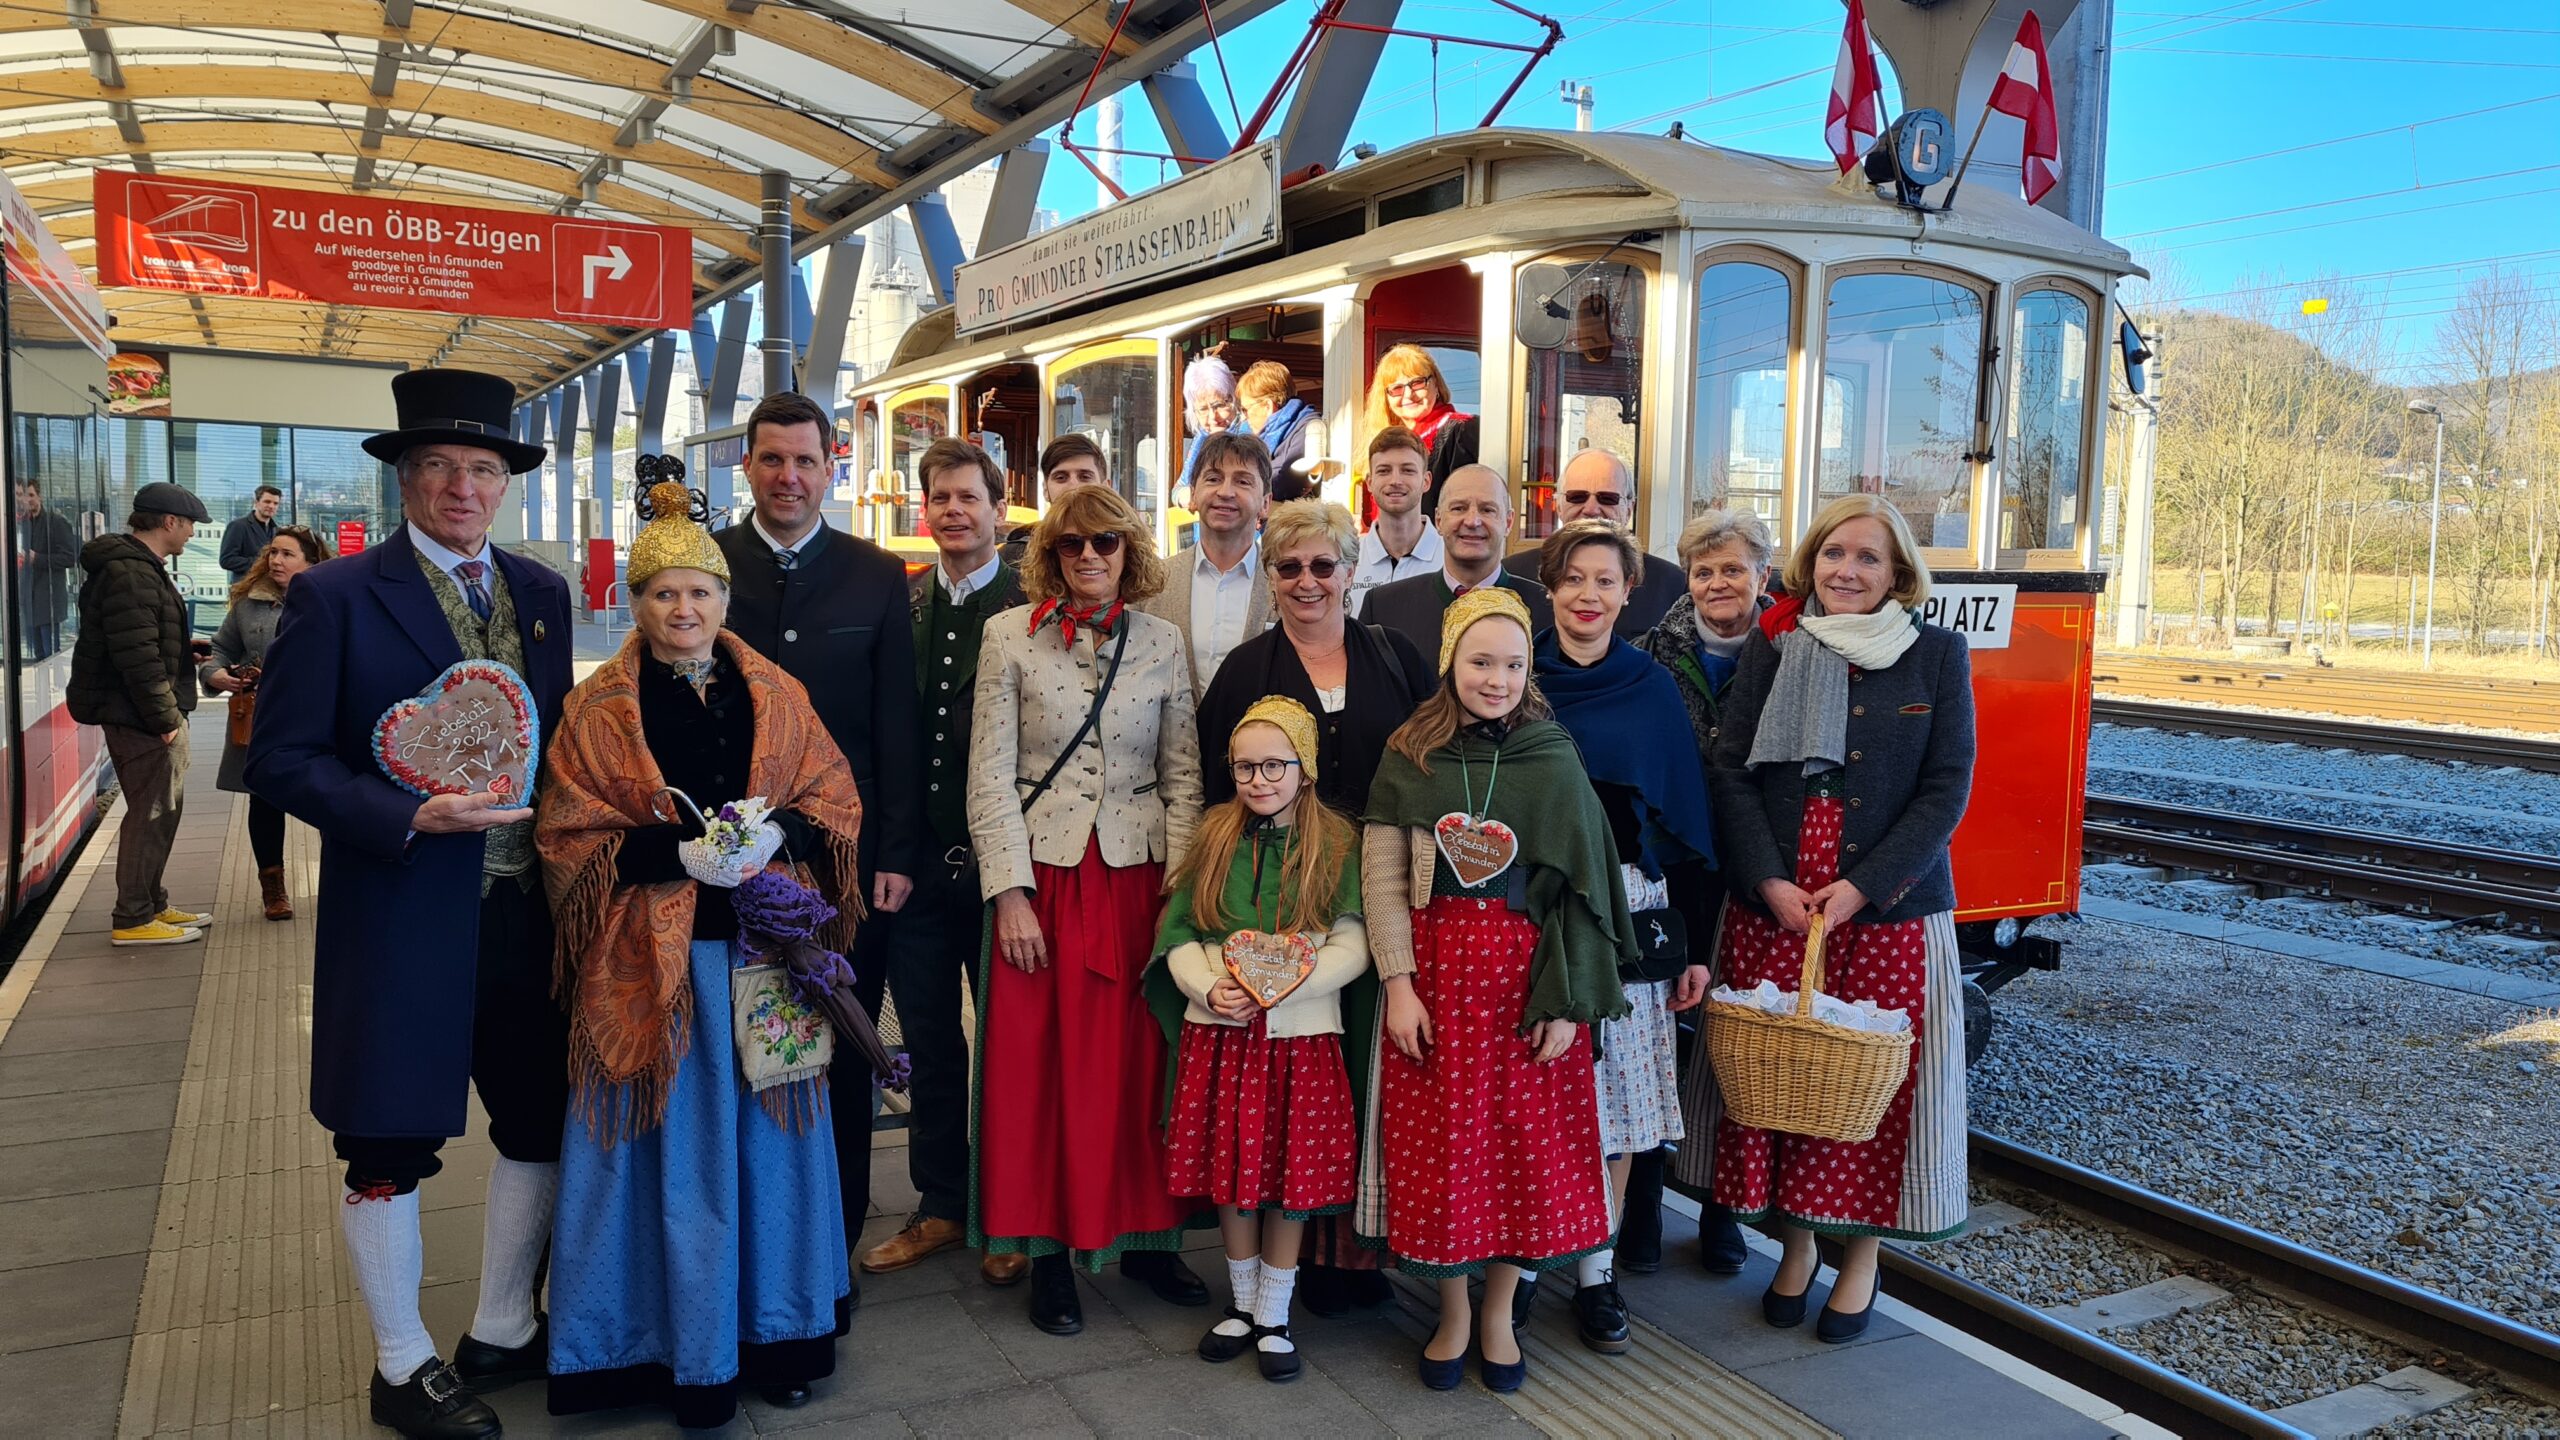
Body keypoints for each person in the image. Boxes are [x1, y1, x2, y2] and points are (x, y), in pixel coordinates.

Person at [246, 369, 574, 1440]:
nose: (462, 487)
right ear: (404, 479)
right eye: (437, 466)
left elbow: (556, 738)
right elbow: (284, 762)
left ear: (506, 482)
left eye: (483, 468)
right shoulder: (332, 597)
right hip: (400, 912)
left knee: (537, 1118)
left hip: (525, 912)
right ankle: (400, 1366)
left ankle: (501, 1329)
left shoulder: (538, 592)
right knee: (386, 1138)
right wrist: (402, 816)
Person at [537, 479, 867, 1428]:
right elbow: (568, 836)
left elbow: (832, 799)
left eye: (700, 593)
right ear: (634, 605)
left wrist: (785, 841)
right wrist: (663, 853)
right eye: (662, 595)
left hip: (763, 959)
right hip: (653, 968)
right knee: (660, 1161)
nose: (684, 610)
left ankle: (779, 1332)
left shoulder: (778, 691)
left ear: (726, 601)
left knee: (775, 1152)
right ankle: (651, 1347)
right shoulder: (598, 707)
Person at [1710, 493, 1976, 1343]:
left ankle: (1858, 1258)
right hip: (1780, 903)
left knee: (1872, 1096)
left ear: (1897, 573)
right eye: (1833, 555)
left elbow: (1947, 787)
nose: (1847, 571)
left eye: (1867, 558)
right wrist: (1766, 880)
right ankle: (1795, 1248)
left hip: (1886, 908)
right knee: (1783, 1082)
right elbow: (1730, 771)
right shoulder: (1775, 642)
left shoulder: (1936, 654)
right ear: (1810, 565)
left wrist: (1866, 886)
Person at [1356, 587, 1636, 1395]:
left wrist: (1564, 1003)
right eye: (1481, 662)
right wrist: (1400, 985)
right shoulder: (1411, 754)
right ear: (1451, 665)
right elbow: (1380, 880)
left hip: (1524, 980)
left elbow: (1583, 892)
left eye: (1514, 664)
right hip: (1437, 975)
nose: (1499, 678)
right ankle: (1449, 1310)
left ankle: (1498, 1311)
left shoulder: (1550, 754)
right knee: (1442, 1146)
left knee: (1521, 1146)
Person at [967, 483, 1208, 1334]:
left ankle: (1148, 1240)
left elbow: (1185, 775)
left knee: (1141, 1064)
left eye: (1107, 541)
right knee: (1043, 1069)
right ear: (1051, 557)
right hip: (1047, 875)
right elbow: (989, 775)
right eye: (1073, 545)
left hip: (1140, 878)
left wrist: (1182, 894)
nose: (1092, 556)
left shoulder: (1163, 640)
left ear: (1130, 551)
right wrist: (1010, 895)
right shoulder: (1009, 637)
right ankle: (1050, 1253)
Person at [1191, 499, 1432, 1317]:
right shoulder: (1244, 669)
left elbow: (1434, 757)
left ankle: (1352, 1247)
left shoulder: (1394, 655)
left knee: (1368, 1055)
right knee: (1296, 1068)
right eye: (1288, 567)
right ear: (1271, 575)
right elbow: (1214, 786)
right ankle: (1294, 1255)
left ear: (1349, 572)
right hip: (1284, 884)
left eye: (1322, 565)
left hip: (1384, 876)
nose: (1306, 581)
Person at [714, 390, 924, 1295]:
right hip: (725, 861)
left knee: (837, 1036)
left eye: (805, 460)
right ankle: (741, 1221)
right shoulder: (709, 566)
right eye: (772, 459)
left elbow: (897, 729)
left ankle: (830, 1236)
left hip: (843, 861)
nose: (789, 477)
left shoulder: (877, 574)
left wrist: (895, 854)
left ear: (832, 465)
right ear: (748, 466)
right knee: (735, 1042)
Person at [1526, 520, 1720, 1354]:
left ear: (1629, 591)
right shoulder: (1513, 669)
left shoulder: (1650, 688)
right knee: (1535, 1095)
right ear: (1550, 586)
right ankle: (1526, 1263)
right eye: (1572, 579)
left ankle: (1596, 1274)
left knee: (1623, 1106)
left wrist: (1698, 950)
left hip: (1630, 912)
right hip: (1528, 906)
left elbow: (1686, 828)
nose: (1587, 596)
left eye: (1604, 581)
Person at [1148, 697, 1367, 1383]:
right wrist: (1207, 989)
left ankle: (1275, 1311)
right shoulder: (1214, 833)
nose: (1258, 779)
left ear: (1303, 769)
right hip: (1223, 1030)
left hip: (1300, 1035)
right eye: (1245, 766)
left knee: (1286, 1175)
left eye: (1275, 764)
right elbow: (1179, 932)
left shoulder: (1336, 843)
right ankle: (1240, 1305)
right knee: (1233, 1173)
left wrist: (1287, 987)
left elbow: (1354, 941)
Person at [861, 439, 1031, 1288]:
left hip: (1008, 869)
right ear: (924, 509)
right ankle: (939, 1202)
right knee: (929, 1039)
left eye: (971, 497)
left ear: (1000, 510)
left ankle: (1004, 1209)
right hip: (918, 866)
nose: (956, 511)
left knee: (1006, 1044)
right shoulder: (907, 601)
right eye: (942, 498)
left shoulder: (1032, 601)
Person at [1640, 508, 1778, 1278]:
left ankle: (1724, 1210)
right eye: (1703, 570)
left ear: (1763, 575)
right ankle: (1645, 1209)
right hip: (1680, 873)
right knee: (1660, 1038)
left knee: (1737, 1048)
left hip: (1761, 873)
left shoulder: (1796, 647)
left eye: (1733, 569)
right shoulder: (1653, 653)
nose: (1718, 583)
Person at [69, 480, 213, 947]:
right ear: (169, 522)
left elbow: (140, 638)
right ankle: (132, 919)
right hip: (141, 716)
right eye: (189, 524)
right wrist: (166, 720)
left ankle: (152, 903)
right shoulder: (130, 573)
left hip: (142, 711)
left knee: (163, 811)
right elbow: (137, 658)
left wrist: (180, 649)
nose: (191, 533)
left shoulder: (137, 568)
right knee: (150, 815)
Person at [201, 523, 332, 922]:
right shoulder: (248, 602)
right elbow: (221, 649)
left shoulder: (334, 598)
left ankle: (341, 882)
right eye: (273, 552)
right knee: (266, 801)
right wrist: (214, 674)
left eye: (287, 554)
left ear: (311, 563)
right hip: (265, 718)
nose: (275, 560)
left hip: (321, 716)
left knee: (331, 802)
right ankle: (273, 889)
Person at [1358, 465, 1552, 660]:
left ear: (1508, 522)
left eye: (1487, 510)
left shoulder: (1547, 611)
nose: (1472, 521)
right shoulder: (1385, 609)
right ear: (1439, 520)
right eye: (1459, 508)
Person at [1139, 430, 1274, 700]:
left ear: (1265, 503)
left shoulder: (1285, 584)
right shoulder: (1153, 584)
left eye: (1243, 481)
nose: (1225, 492)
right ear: (1192, 496)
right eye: (1213, 479)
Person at [1501, 450, 1683, 635]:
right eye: (1577, 497)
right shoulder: (1511, 576)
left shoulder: (1671, 585)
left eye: (1607, 498)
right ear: (1558, 505)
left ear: (1629, 509)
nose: (1591, 509)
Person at [1363, 344, 1474, 509]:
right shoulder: (1385, 440)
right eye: (1397, 388)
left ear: (1436, 385)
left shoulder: (1460, 432)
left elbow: (1467, 504)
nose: (1408, 395)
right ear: (1385, 397)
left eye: (1417, 383)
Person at [1346, 427, 1442, 618]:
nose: (1395, 480)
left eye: (1407, 470)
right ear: (1369, 483)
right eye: (1384, 471)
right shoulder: (1347, 558)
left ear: (1426, 481)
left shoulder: (1451, 559)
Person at [1000, 433, 1109, 566]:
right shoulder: (1015, 558)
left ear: (1106, 488)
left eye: (1085, 477)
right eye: (1061, 477)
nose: (1073, 486)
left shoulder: (1125, 550)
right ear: (1045, 490)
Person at [18, 481, 79, 660]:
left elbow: (70, 557)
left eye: (31, 495)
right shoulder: (23, 525)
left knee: (50, 656)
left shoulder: (56, 522)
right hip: (30, 599)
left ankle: (55, 687)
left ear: (40, 497)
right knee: (37, 655)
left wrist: (38, 558)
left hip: (48, 600)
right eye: (23, 495)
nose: (27, 500)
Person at [1238, 361, 1314, 499]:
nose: (1243, 417)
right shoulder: (1257, 434)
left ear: (1267, 406)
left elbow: (1285, 484)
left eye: (1245, 409)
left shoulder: (1306, 428)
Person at [1177, 354, 1246, 503]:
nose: (1212, 417)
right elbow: (1178, 488)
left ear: (1234, 400)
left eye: (1219, 406)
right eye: (1202, 409)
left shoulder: (1247, 435)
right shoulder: (1201, 438)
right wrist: (1185, 496)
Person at [219, 484, 282, 584]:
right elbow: (226, 560)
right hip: (245, 590)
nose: (271, 506)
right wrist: (261, 563)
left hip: (270, 589)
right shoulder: (238, 526)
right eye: (267, 502)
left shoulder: (277, 530)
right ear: (256, 502)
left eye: (275, 503)